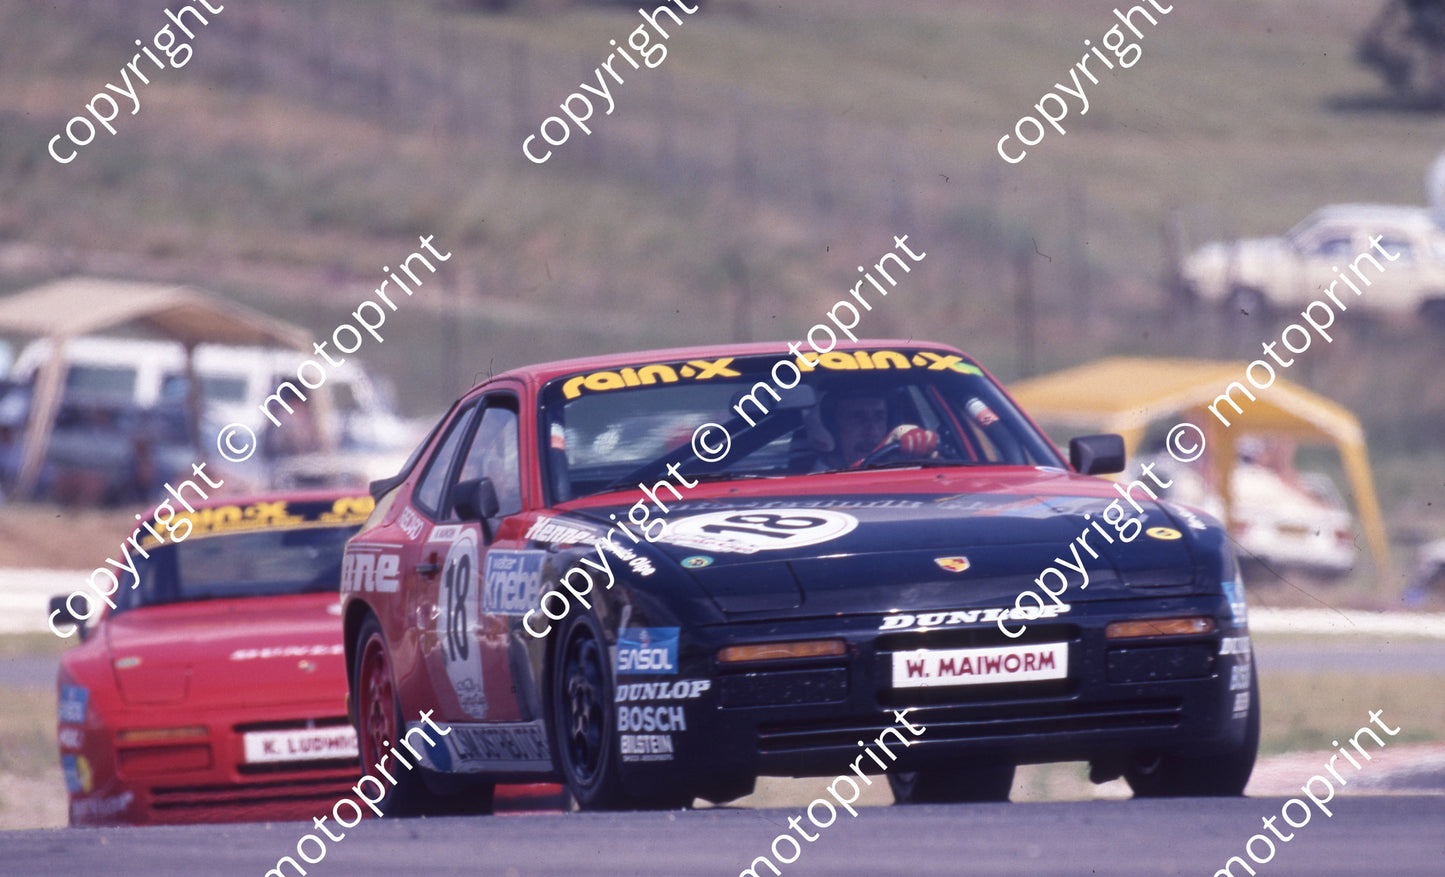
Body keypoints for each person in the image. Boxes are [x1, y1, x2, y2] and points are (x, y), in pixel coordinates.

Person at [820, 390, 938, 469]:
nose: (872, 432)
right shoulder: (810, 479)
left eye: (879, 418)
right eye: (857, 418)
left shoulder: (903, 468)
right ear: (834, 427)